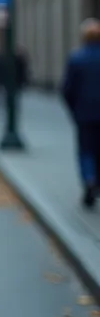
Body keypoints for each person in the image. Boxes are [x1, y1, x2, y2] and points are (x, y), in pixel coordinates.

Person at [62, 18, 100, 209]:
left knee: (86, 150)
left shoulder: (77, 58)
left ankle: (89, 179)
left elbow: (67, 90)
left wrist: (74, 110)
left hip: (84, 114)